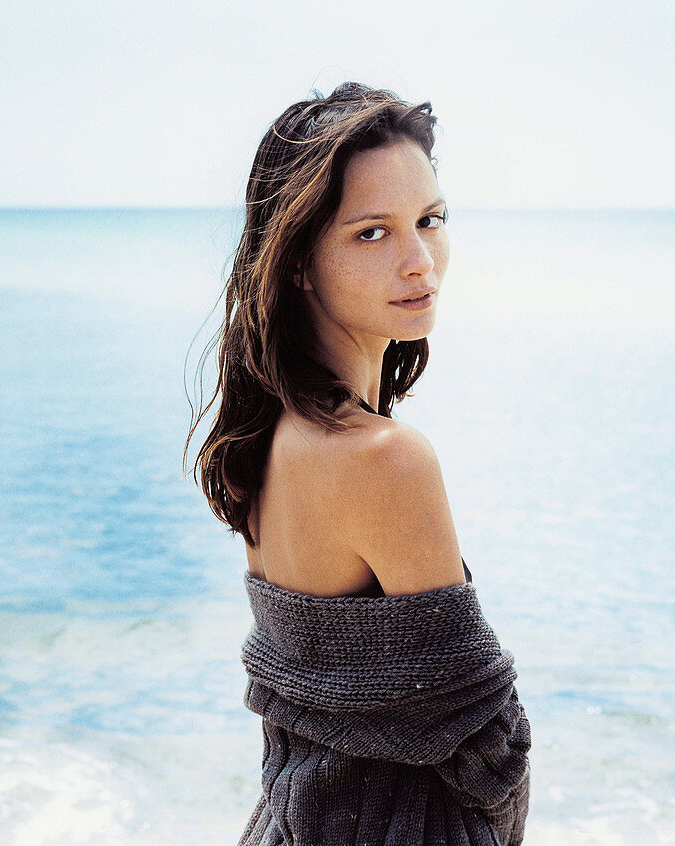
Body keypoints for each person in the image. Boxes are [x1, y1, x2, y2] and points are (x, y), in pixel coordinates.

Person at [185, 82, 530, 846]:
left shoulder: (267, 438)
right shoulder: (383, 458)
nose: (419, 261)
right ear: (299, 260)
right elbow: (489, 742)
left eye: (430, 221)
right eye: (372, 233)